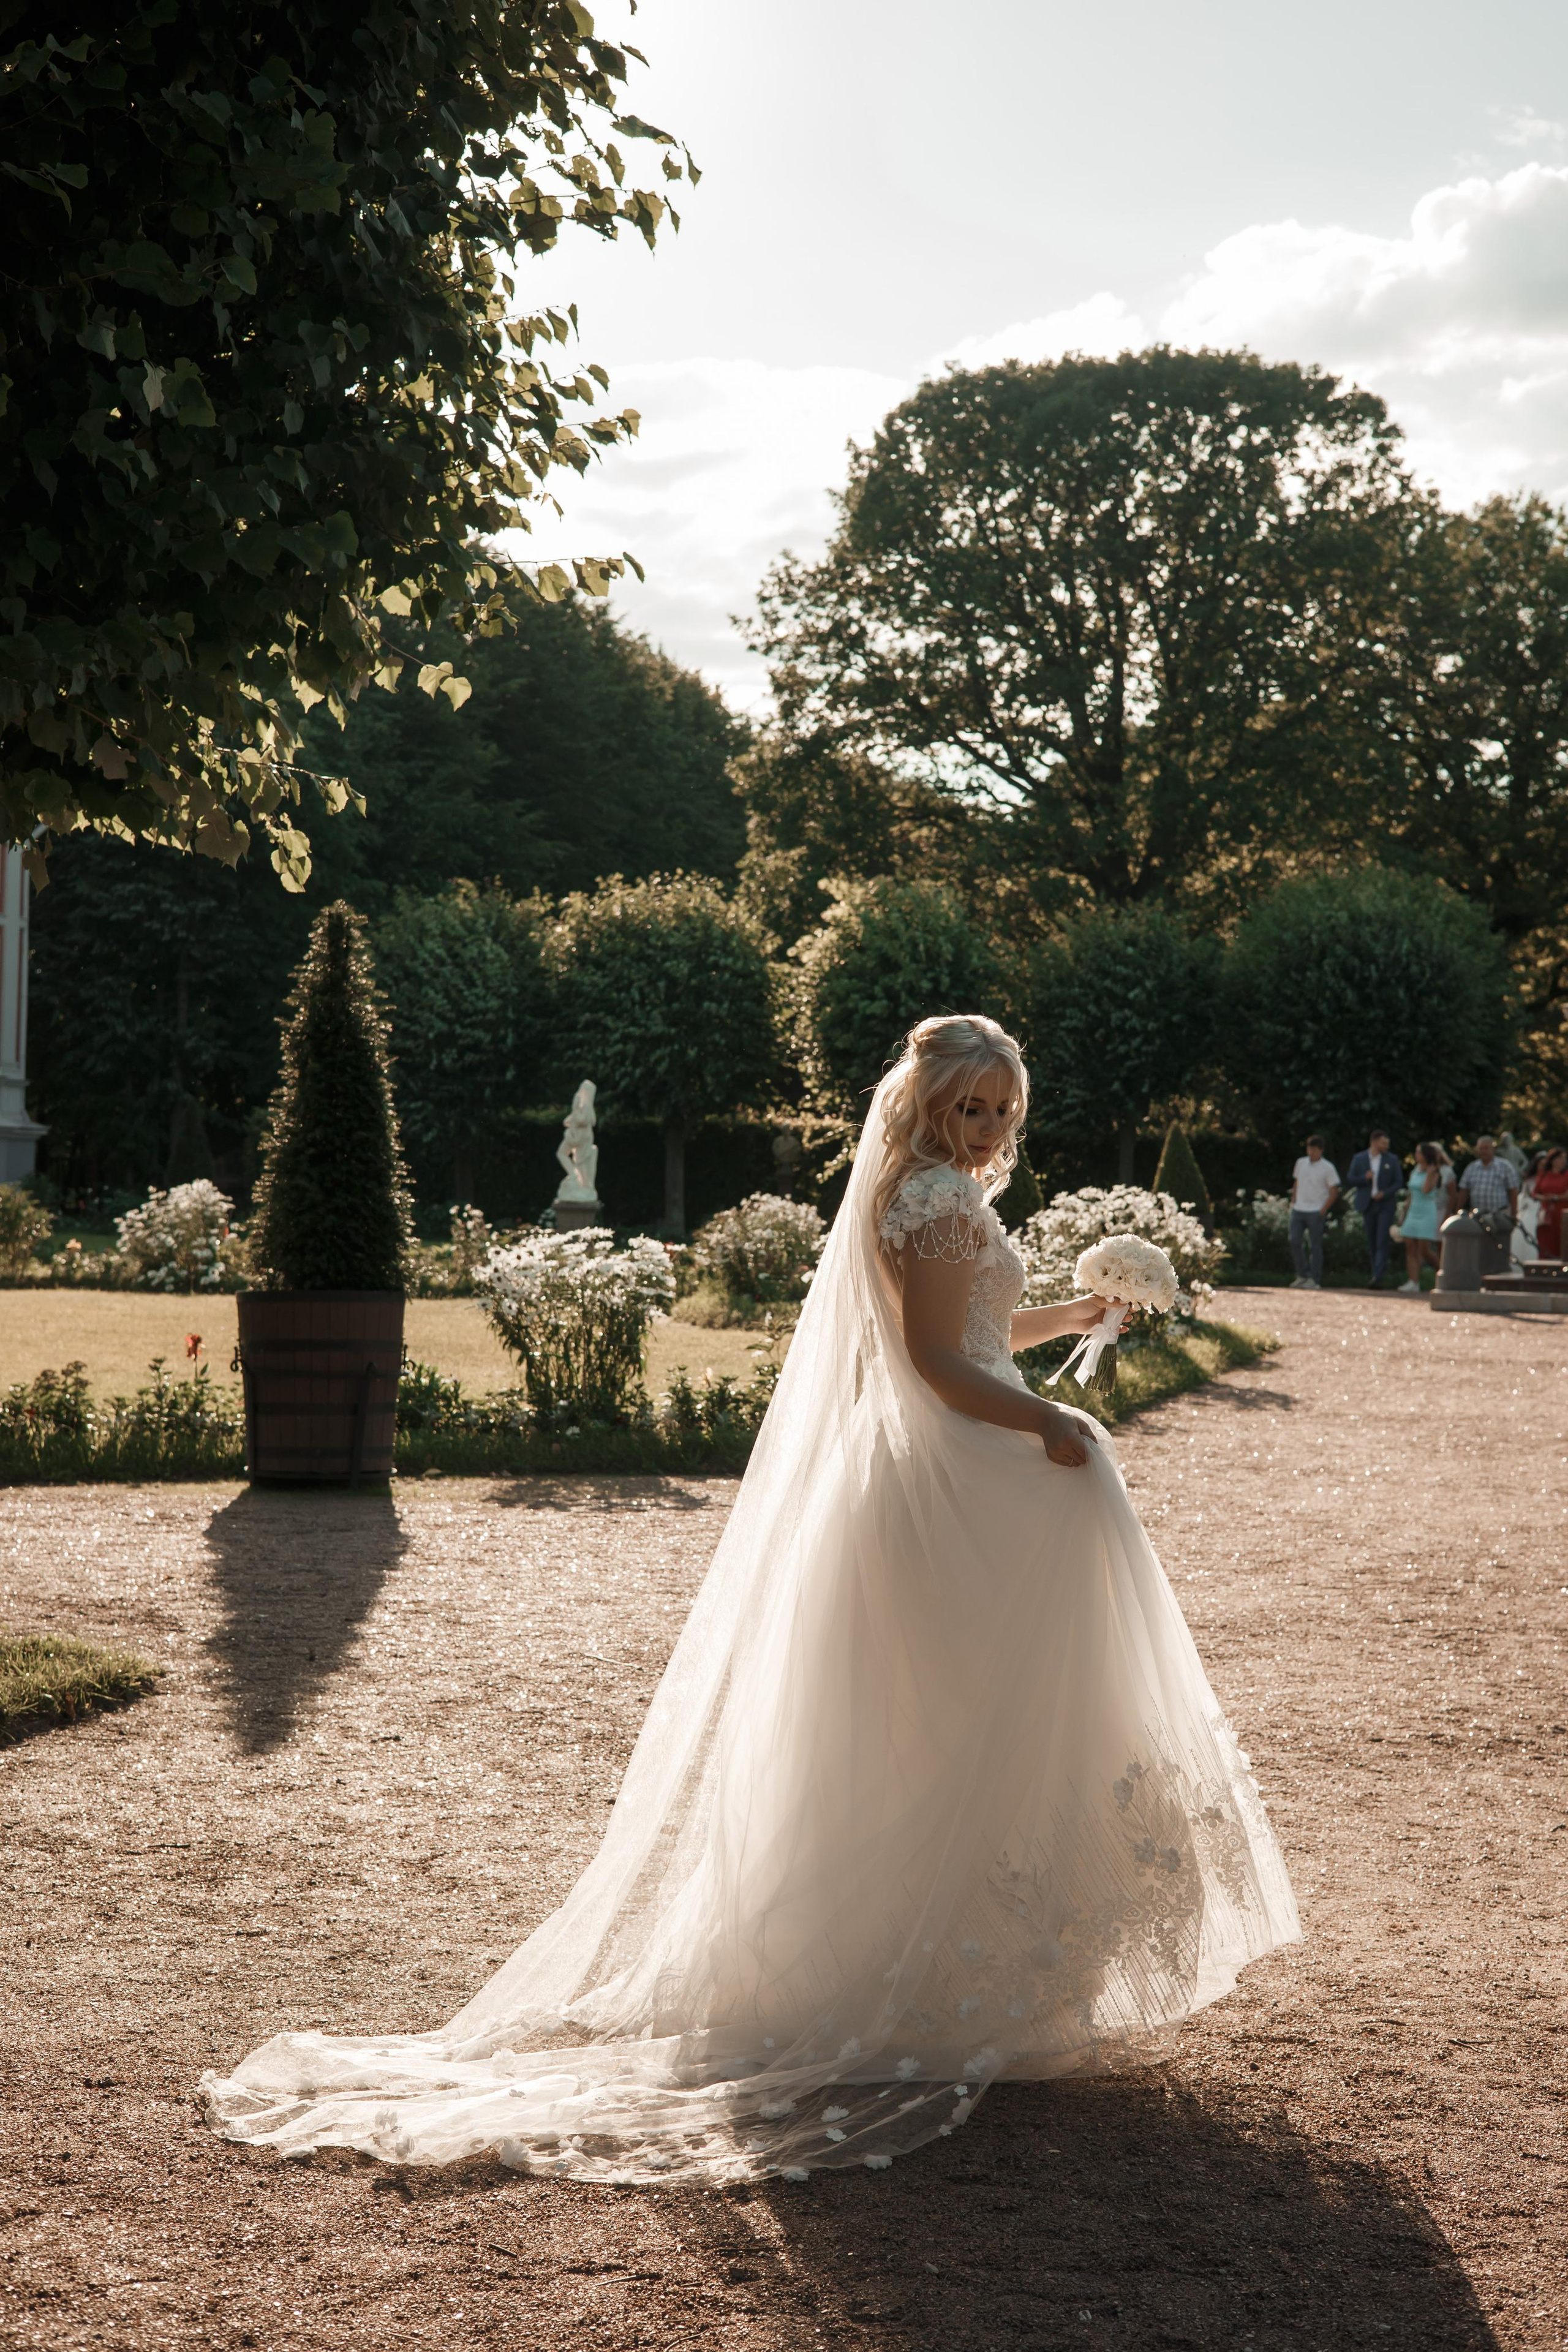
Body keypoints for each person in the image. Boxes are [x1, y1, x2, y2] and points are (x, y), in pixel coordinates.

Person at [202, 1016, 1298, 2184]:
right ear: (927, 1106)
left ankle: (947, 1956)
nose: (983, 1129)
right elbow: (938, 1368)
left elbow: (973, 1334)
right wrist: (1051, 1420)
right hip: (947, 1482)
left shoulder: (929, 1195)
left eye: (999, 1112)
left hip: (944, 1473)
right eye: (967, 1107)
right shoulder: (933, 1199)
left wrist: (1070, 1324)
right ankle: (922, 1967)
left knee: (948, 1723)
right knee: (959, 1717)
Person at [1346, 1128, 1403, 1289]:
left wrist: (1385, 1193)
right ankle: (1375, 1274)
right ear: (1374, 1142)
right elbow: (1350, 1179)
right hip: (1368, 1204)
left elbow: (1398, 1182)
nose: (1386, 1146)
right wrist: (1364, 1178)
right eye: (1384, 1143)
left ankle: (1378, 1277)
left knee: (1382, 1240)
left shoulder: (1392, 1160)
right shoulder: (1359, 1158)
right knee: (1372, 1241)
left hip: (1385, 1205)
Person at [1288, 1134, 1340, 1289]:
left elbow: (1334, 1190)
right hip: (1299, 1209)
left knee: (1315, 1246)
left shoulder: (1328, 1167)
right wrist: (1293, 1201)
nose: (1311, 1152)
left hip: (1316, 1211)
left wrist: (1323, 1209)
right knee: (1294, 1241)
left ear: (1321, 1150)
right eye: (1309, 1149)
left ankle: (1315, 1279)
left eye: (1314, 1149)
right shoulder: (1301, 1163)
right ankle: (1303, 1275)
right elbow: (1297, 1182)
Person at [1396, 1142, 1446, 1293]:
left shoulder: (1434, 1172)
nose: (1416, 1155)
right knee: (1410, 1246)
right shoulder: (1415, 1171)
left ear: (1425, 1155)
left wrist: (1430, 1174)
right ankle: (1413, 1282)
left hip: (1427, 1212)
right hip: (1413, 1211)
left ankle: (1445, 1274)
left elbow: (1425, 1190)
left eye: (1418, 1152)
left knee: (1424, 1250)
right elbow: (1411, 1193)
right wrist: (1404, 1214)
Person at [1456, 1135, 1519, 1247]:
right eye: (1481, 1148)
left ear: (1493, 1149)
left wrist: (1514, 1214)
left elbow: (1513, 1191)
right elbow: (1464, 1191)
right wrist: (1458, 1210)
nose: (1483, 1151)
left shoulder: (1504, 1166)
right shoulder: (1472, 1168)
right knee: (1478, 1247)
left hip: (1499, 1214)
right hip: (1477, 1216)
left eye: (1486, 1148)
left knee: (1498, 1246)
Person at [1534, 1145, 1568, 1259]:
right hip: (1546, 1215)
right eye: (1561, 1158)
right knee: (1545, 1242)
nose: (1564, 1161)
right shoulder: (1544, 1175)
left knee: (1561, 1240)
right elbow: (1535, 1193)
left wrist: (1556, 1198)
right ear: (1554, 1160)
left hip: (1561, 1214)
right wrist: (1544, 1198)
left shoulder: (1566, 1175)